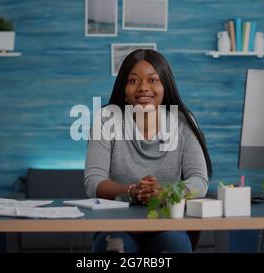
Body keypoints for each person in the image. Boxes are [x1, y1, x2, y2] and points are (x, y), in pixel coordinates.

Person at [84, 49, 212, 253]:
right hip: (117, 225)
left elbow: (199, 181)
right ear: (124, 89)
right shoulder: (106, 118)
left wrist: (166, 193)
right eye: (134, 81)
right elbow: (93, 182)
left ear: (164, 87)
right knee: (115, 246)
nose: (143, 88)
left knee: (171, 246)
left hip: (167, 224)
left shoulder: (183, 121)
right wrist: (131, 192)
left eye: (153, 80)